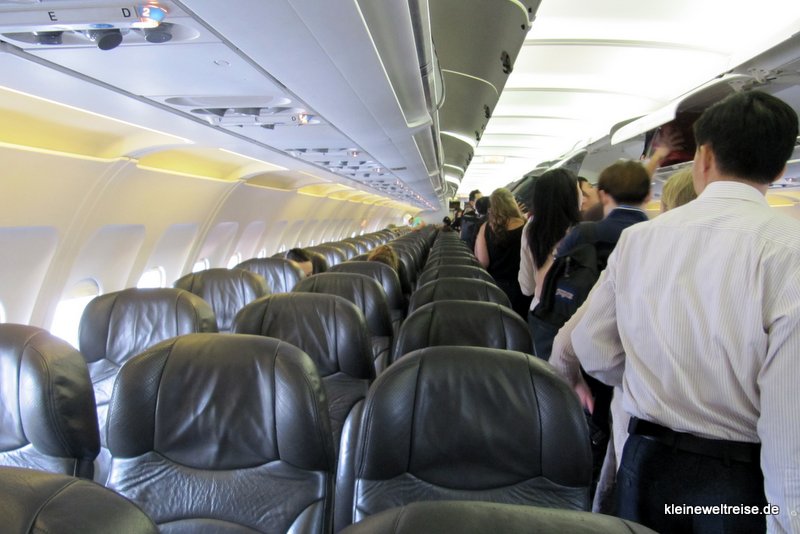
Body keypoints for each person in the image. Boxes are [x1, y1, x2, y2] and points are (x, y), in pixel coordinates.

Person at [570, 90, 799, 533]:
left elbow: (590, 344)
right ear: (779, 170)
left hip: (646, 461)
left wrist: (648, 375)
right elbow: (789, 421)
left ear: (703, 157)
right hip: (734, 480)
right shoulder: (790, 251)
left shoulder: (640, 239)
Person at [518, 168, 582, 359]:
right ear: (571, 197)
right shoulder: (584, 231)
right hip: (576, 318)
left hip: (541, 316)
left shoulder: (530, 229)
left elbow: (526, 287)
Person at [474, 188, 531, 318]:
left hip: (495, 289)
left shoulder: (486, 227)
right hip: (522, 289)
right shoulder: (527, 226)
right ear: (512, 203)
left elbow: (483, 262)